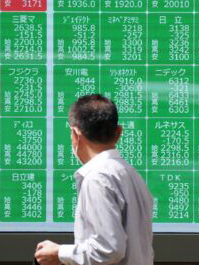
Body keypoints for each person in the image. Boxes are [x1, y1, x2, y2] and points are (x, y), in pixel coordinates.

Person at [35, 94, 153, 265]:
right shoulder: (131, 174)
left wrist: (59, 252)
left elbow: (108, 249)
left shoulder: (97, 179)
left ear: (75, 134)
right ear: (119, 132)